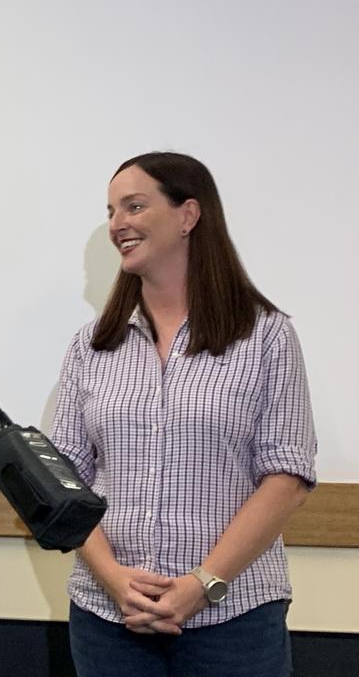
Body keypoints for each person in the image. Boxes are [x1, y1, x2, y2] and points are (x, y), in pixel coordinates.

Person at [49, 152, 316, 676]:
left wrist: (203, 584)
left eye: (134, 206)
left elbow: (287, 477)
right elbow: (65, 479)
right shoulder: (92, 346)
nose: (117, 224)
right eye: (110, 211)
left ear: (188, 215)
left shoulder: (266, 336)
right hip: (108, 621)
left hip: (235, 619)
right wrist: (115, 580)